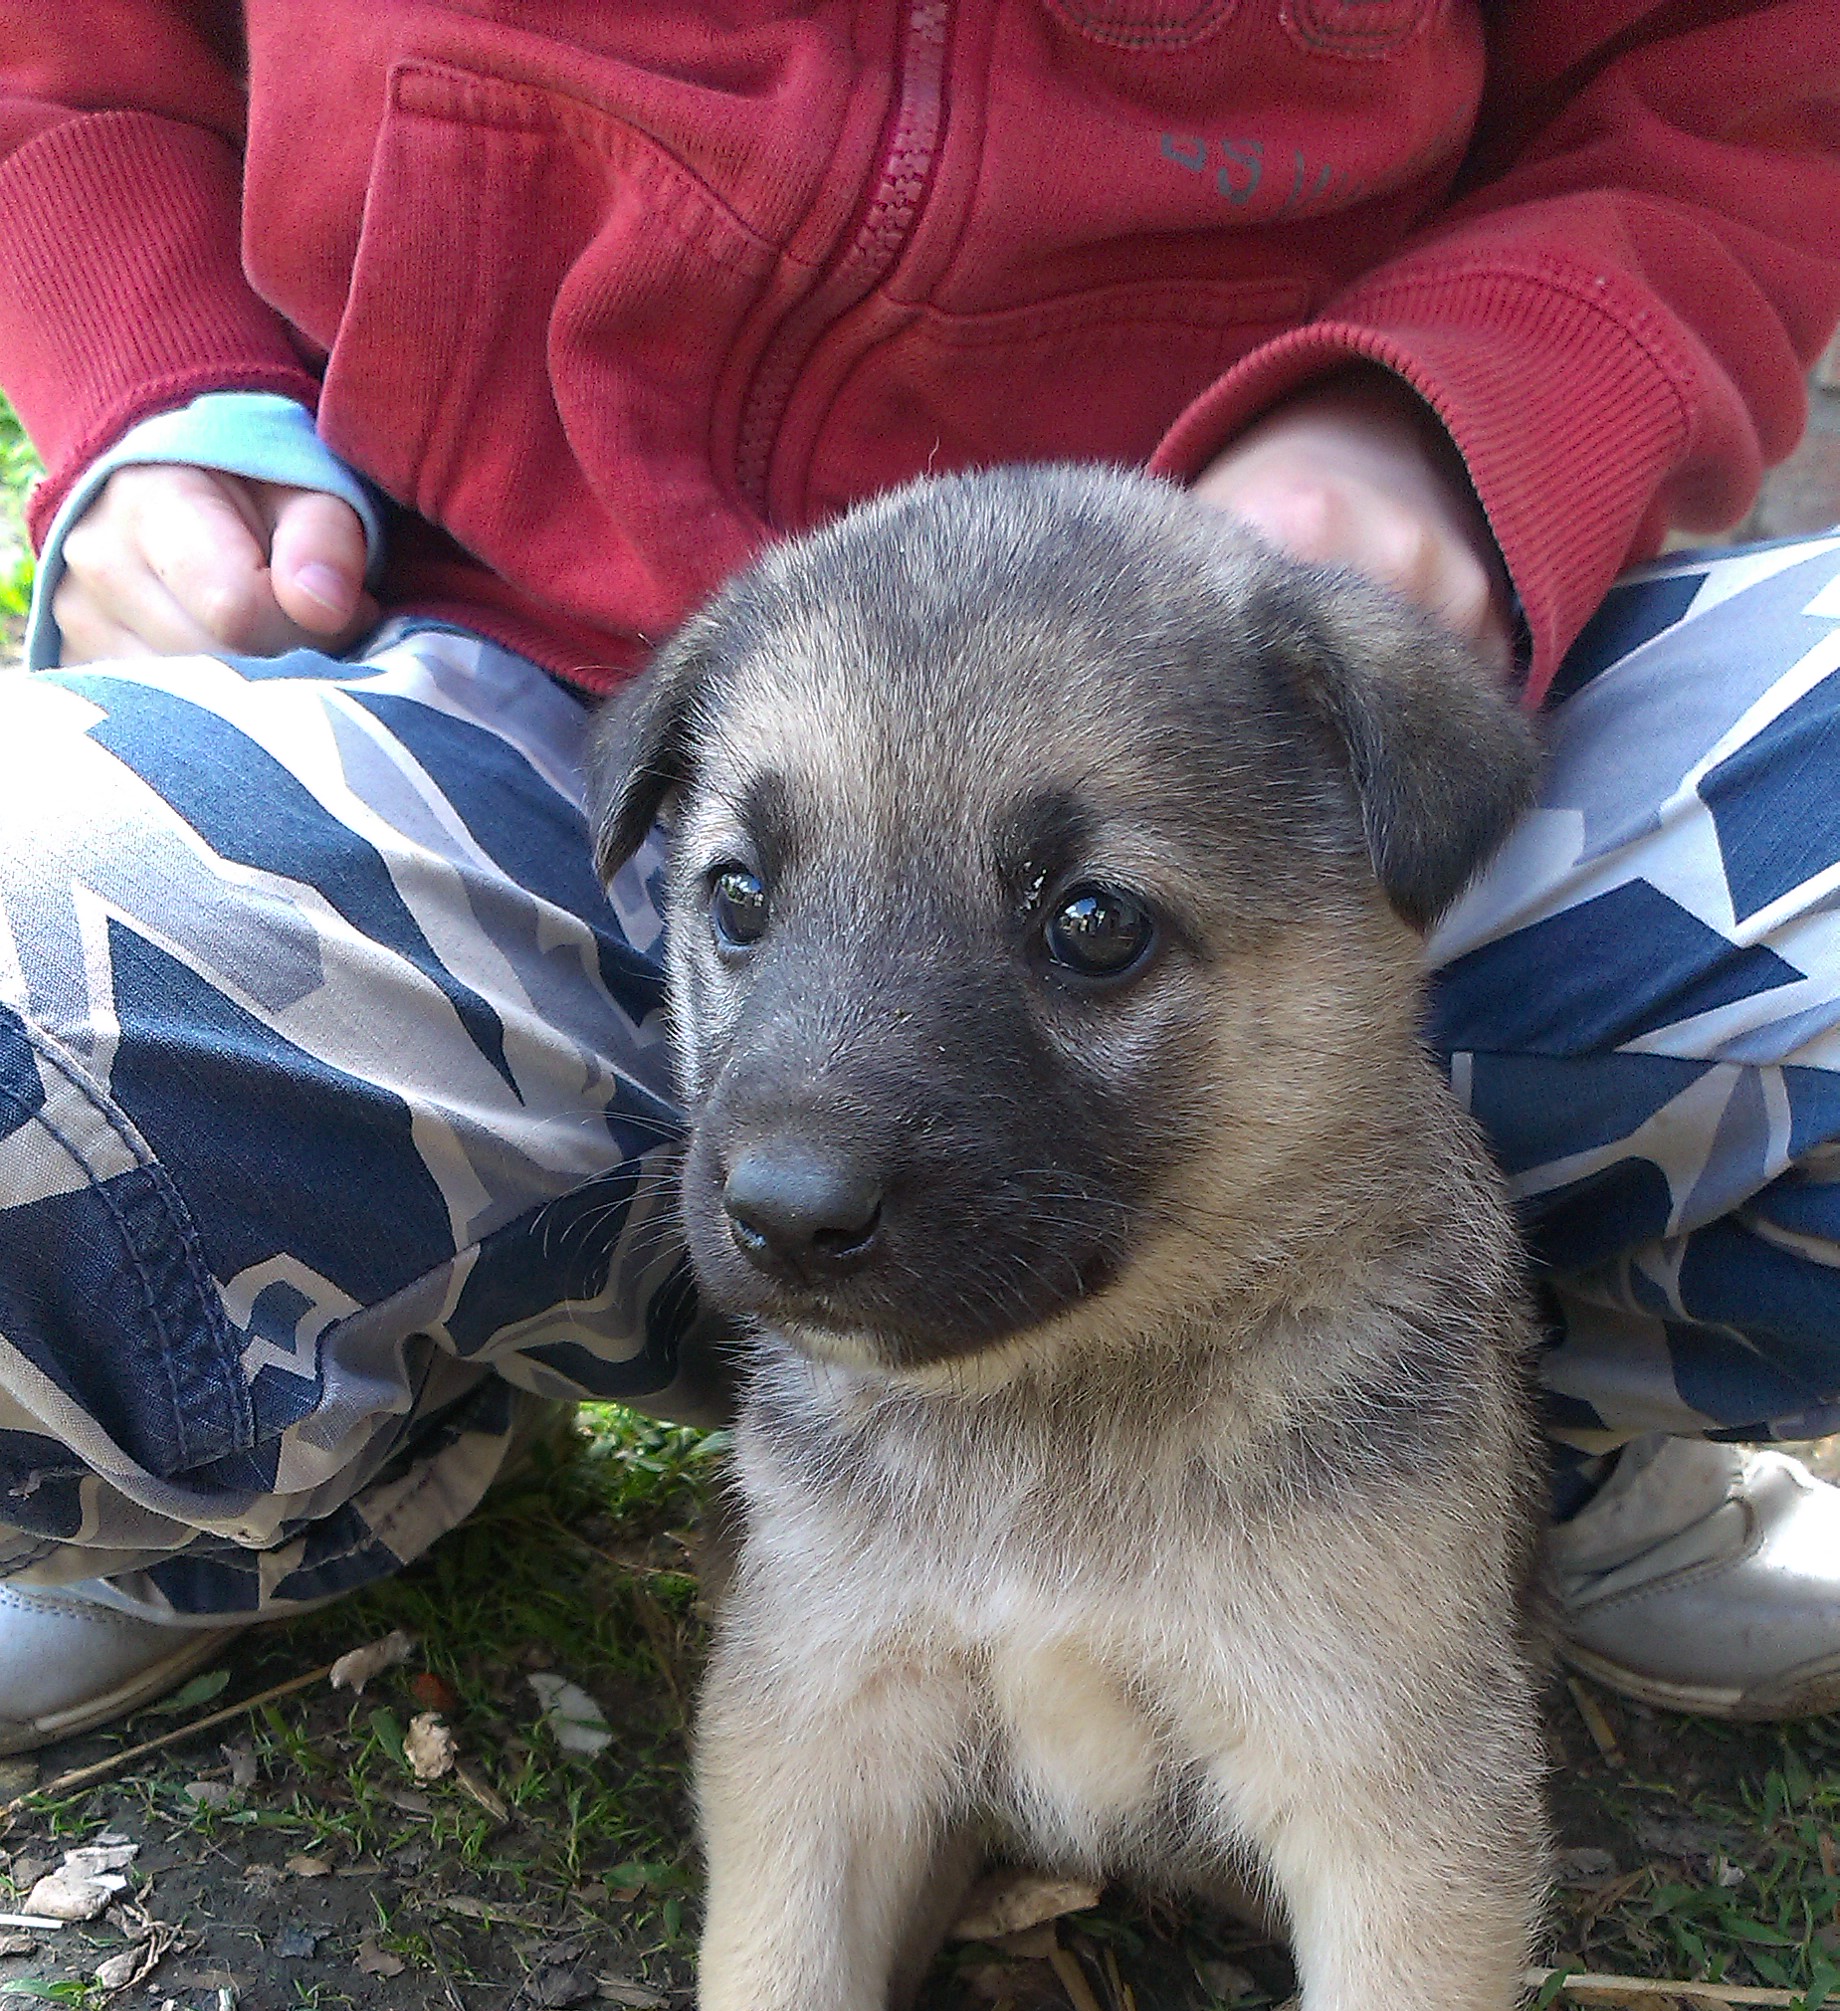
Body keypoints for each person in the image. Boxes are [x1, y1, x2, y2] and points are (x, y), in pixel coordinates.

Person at [0, 2, 1837, 1747]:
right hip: (495, 715)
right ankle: (249, 1451)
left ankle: (1512, 1422)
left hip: (1307, 748)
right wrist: (168, 395)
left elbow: (1735, 69)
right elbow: (69, 51)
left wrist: (1448, 415)